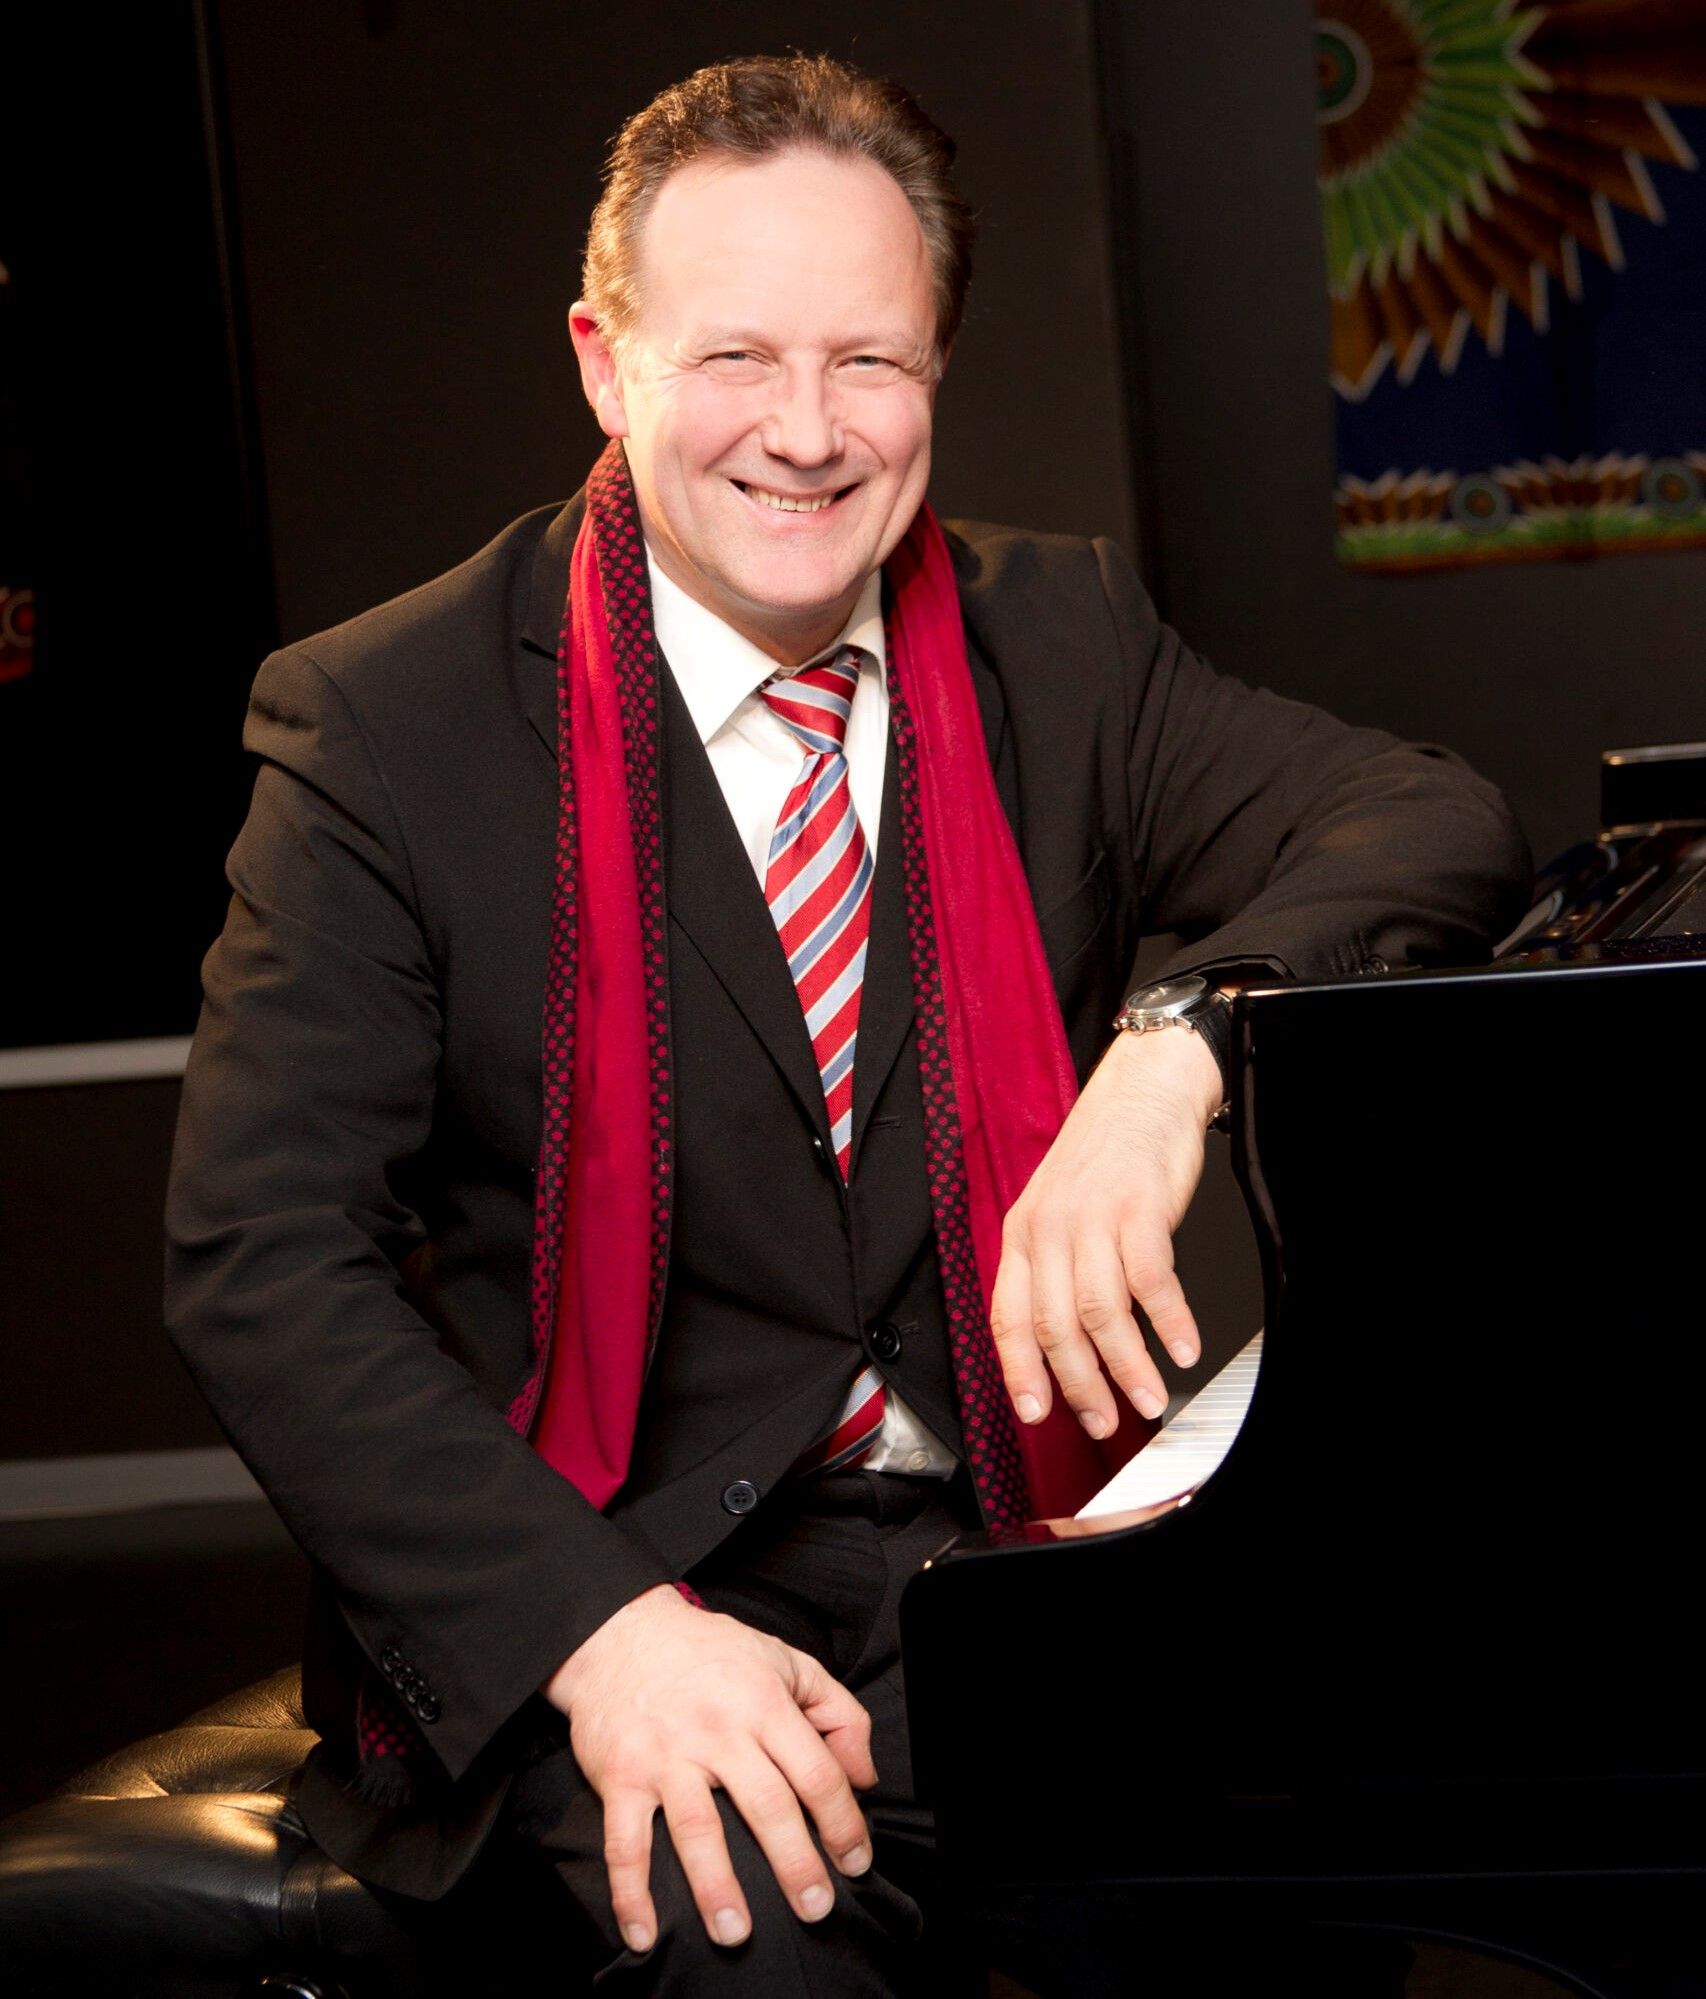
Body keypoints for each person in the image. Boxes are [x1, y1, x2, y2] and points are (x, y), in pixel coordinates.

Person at [164, 52, 1529, 1996]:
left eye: (866, 361)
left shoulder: (1060, 637)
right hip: (635, 1579)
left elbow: (1427, 815)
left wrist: (1175, 1046)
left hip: (1009, 1561)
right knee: (757, 1959)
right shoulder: (386, 724)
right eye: (734, 356)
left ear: (934, 370)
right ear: (601, 363)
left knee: (1308, 1912)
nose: (805, 434)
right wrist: (608, 1641)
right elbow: (260, 1257)